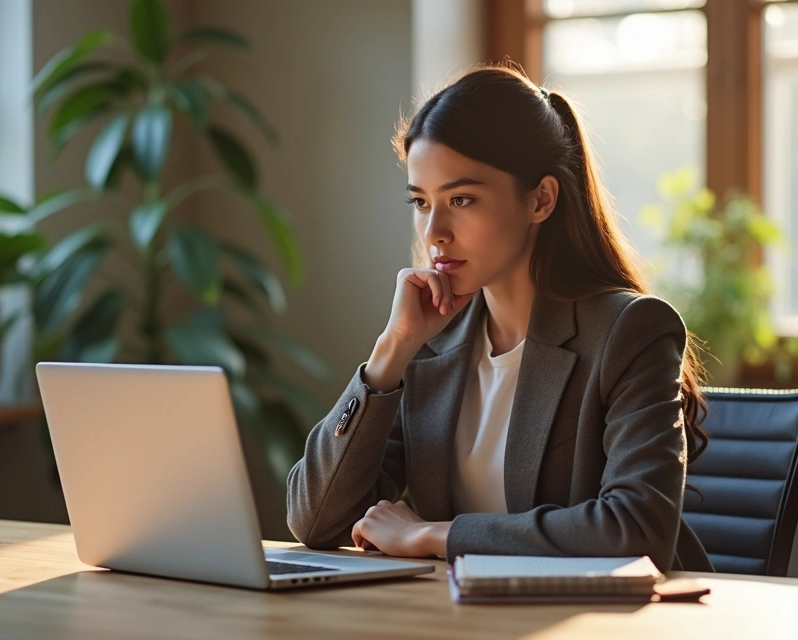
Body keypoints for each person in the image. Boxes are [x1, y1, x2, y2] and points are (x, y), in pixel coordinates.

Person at [286, 65, 713, 572]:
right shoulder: (431, 340)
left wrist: (434, 535)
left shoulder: (629, 331)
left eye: (461, 199)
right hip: (469, 618)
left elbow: (636, 529)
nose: (435, 231)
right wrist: (390, 353)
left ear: (541, 199)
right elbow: (315, 521)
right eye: (421, 202)